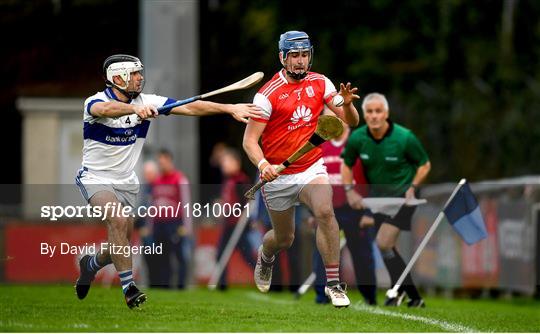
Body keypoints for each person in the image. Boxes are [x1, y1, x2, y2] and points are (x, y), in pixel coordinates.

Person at [74, 54, 261, 308]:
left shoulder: (149, 101)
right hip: (96, 178)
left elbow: (191, 107)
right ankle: (129, 288)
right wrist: (134, 109)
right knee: (117, 219)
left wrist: (229, 109)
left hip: (126, 182)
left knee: (119, 243)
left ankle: (90, 264)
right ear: (117, 78)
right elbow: (105, 110)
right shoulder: (95, 102)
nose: (141, 78)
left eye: (141, 73)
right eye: (135, 74)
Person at [243, 31, 360, 307]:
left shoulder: (321, 83)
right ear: (283, 57)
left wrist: (350, 104)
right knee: (284, 239)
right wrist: (263, 164)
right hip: (278, 176)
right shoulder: (266, 95)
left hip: (310, 167)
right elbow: (249, 141)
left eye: (304, 55)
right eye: (294, 55)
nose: (300, 61)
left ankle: (333, 283)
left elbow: (351, 122)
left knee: (325, 211)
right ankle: (266, 255)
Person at [341, 92, 431, 308]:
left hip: (404, 197)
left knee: (383, 242)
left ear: (386, 113)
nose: (374, 116)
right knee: (386, 247)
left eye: (378, 111)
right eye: (369, 112)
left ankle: (401, 291)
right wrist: (349, 190)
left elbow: (424, 165)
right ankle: (409, 294)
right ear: (364, 114)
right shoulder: (358, 138)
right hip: (379, 199)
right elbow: (346, 164)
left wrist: (413, 187)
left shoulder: (405, 137)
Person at [311, 125, 377, 305]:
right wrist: (313, 211)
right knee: (324, 252)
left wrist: (370, 211)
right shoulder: (318, 145)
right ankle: (322, 296)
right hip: (328, 210)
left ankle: (369, 297)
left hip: (356, 211)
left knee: (362, 255)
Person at [214, 147, 256, 290]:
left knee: (247, 256)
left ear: (236, 163)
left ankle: (263, 277)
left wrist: (246, 220)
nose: (224, 165)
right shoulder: (227, 181)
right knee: (220, 254)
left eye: (227, 162)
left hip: (238, 226)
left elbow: (248, 203)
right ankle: (222, 284)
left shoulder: (241, 180)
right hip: (228, 225)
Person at [151, 148, 192, 289]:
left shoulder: (179, 179)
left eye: (163, 162)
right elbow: (153, 205)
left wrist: (186, 227)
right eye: (159, 163)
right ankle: (165, 286)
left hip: (175, 224)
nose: (160, 165)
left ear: (170, 161)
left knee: (179, 256)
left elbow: (186, 203)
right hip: (159, 225)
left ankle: (181, 286)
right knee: (162, 257)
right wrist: (151, 226)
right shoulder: (156, 181)